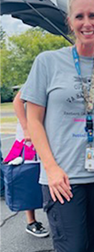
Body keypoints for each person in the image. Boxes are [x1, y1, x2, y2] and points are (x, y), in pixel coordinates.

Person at [21, 0, 94, 252]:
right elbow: (34, 119)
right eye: (79, 16)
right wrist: (51, 169)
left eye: (93, 16)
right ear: (69, 21)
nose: (87, 23)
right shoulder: (48, 62)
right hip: (63, 178)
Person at [13, 91, 49, 238]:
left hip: (48, 129)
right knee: (30, 175)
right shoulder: (40, 72)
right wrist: (26, 128)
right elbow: (17, 101)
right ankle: (31, 221)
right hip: (31, 132)